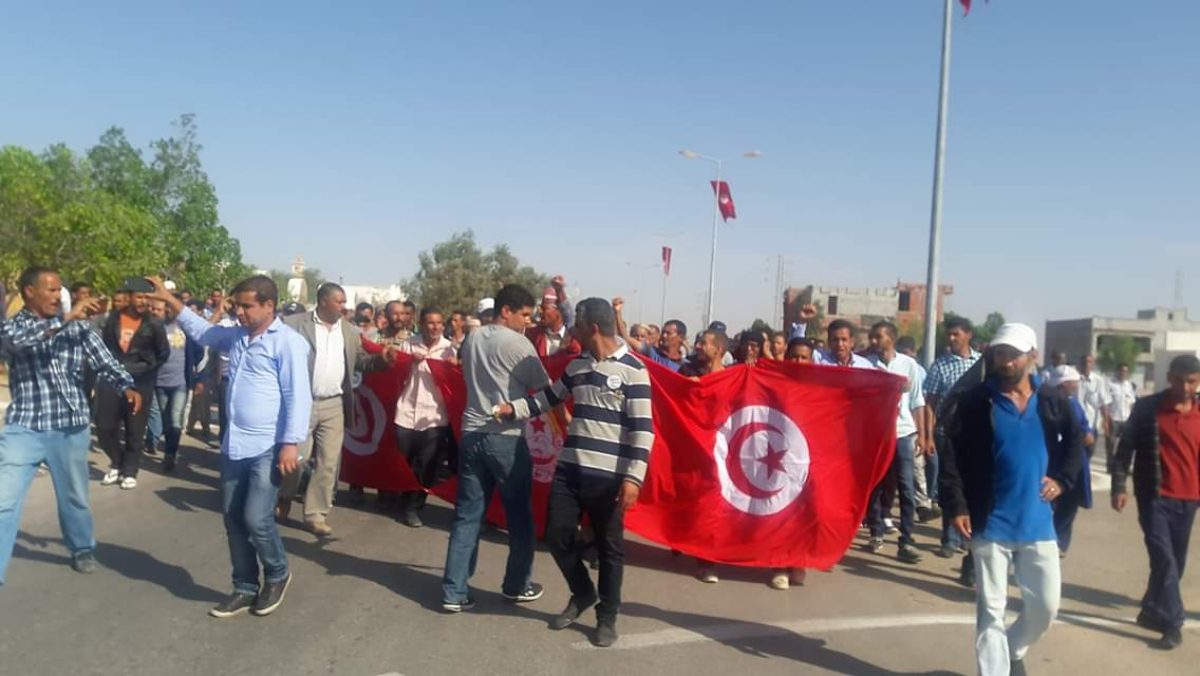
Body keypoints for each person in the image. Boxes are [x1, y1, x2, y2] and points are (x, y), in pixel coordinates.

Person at [149, 274, 312, 619]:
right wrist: (169, 298)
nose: (239, 311)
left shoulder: (288, 343)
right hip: (234, 444)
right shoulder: (237, 336)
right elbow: (201, 330)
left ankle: (278, 573)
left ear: (269, 305)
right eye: (237, 305)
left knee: (256, 518)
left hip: (268, 445)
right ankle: (244, 586)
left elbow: (297, 396)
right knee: (233, 519)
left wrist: (290, 444)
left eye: (247, 305)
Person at [496, 298, 653, 648]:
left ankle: (607, 617)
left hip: (610, 477)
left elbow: (644, 429)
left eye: (577, 323)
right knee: (555, 535)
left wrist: (633, 477)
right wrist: (513, 409)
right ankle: (583, 593)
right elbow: (548, 398)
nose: (573, 328)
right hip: (570, 468)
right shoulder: (577, 365)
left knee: (610, 550)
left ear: (592, 327)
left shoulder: (633, 369)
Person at [941, 323, 1082, 676]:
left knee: (1046, 607)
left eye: (1014, 355)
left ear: (1032, 356)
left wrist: (1063, 481)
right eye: (1000, 354)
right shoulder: (975, 401)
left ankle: (1012, 647)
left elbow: (1076, 443)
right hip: (991, 522)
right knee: (990, 611)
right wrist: (956, 505)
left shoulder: (1052, 401)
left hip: (1038, 522)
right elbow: (953, 455)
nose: (1006, 362)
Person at [0, 266, 143, 585]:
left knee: (74, 496)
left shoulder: (77, 329)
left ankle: (81, 547)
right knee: (3, 501)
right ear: (29, 292)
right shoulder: (13, 329)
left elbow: (104, 360)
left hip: (69, 427)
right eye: (50, 290)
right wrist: (65, 318)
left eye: (58, 289)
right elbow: (13, 347)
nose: (57, 295)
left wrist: (126, 386)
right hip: (25, 428)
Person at [441, 284, 549, 612]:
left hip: (472, 432)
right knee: (519, 516)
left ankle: (454, 591)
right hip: (506, 437)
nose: (528, 322)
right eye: (525, 314)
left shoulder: (473, 338)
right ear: (507, 311)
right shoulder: (520, 345)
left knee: (467, 515)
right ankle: (517, 584)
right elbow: (545, 393)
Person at [277, 283, 385, 535]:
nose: (344, 306)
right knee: (297, 458)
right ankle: (284, 495)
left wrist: (381, 361)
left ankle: (316, 514)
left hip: (334, 403)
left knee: (328, 461)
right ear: (323, 301)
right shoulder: (294, 324)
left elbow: (360, 361)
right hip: (300, 403)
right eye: (339, 301)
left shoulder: (348, 330)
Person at [1111, 354, 1200, 650]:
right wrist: (1119, 486)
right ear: (1169, 378)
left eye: (1191, 382)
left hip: (1189, 500)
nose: (1184, 387)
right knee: (1164, 559)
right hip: (1154, 497)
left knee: (1175, 562)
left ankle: (1152, 609)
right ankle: (1173, 622)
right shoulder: (1148, 408)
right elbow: (1124, 451)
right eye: (1178, 380)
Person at [96, 278, 169, 490]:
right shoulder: (112, 319)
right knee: (104, 426)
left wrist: (146, 368)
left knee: (134, 429)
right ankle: (117, 463)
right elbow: (105, 348)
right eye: (139, 296)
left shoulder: (154, 324)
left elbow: (163, 353)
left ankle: (129, 471)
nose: (144, 301)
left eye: (147, 297)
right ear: (129, 298)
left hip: (141, 382)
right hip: (113, 380)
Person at [924, 315, 982, 579]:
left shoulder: (980, 365)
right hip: (946, 434)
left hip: (974, 436)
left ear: (968, 334)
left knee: (973, 490)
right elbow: (930, 402)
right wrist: (928, 434)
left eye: (957, 333)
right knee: (949, 486)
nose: (952, 338)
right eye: (949, 334)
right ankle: (949, 539)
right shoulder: (940, 366)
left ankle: (969, 544)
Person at [389, 306, 457, 528]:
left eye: (439, 323)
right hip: (406, 412)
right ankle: (400, 497)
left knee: (428, 465)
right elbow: (394, 371)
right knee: (404, 461)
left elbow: (457, 378)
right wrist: (408, 362)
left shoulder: (449, 350)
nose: (435, 327)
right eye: (430, 322)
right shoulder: (410, 344)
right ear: (421, 324)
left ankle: (414, 507)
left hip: (435, 416)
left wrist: (452, 368)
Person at [865, 321, 926, 564]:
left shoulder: (908, 365)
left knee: (906, 487)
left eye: (878, 337)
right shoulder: (868, 365)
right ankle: (876, 530)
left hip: (903, 433)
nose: (874, 341)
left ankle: (907, 539)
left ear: (891, 338)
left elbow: (917, 401)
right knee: (877, 484)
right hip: (877, 433)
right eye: (872, 337)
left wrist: (922, 433)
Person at [1046, 365, 1095, 557]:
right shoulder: (1048, 403)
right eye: (1073, 383)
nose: (1076, 386)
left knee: (1069, 505)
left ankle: (1060, 542)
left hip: (1074, 462)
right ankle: (1051, 540)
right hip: (1054, 461)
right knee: (1052, 502)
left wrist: (1089, 434)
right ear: (1065, 384)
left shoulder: (1074, 403)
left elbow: (1085, 427)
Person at [148, 298, 201, 472]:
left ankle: (170, 454)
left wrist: (194, 370)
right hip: (159, 382)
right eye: (165, 309)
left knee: (175, 420)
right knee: (164, 419)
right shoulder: (155, 328)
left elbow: (199, 351)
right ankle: (166, 445)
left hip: (181, 383)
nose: (168, 311)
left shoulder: (185, 329)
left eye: (170, 308)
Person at [615, 298, 686, 373]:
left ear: (680, 338)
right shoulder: (652, 352)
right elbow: (626, 337)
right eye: (663, 332)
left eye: (668, 333)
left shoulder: (686, 366)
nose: (664, 336)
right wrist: (618, 313)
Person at [527, 287, 582, 358]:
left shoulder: (574, 340)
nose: (540, 312)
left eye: (544, 308)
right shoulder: (532, 335)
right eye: (540, 308)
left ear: (558, 312)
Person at [1106, 363, 1138, 471]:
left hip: (1126, 418)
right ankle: (1110, 466)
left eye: (1125, 371)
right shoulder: (1110, 384)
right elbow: (1106, 402)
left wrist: (1133, 418)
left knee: (1126, 444)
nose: (1123, 373)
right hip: (1113, 417)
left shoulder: (1129, 385)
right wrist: (1107, 418)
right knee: (1111, 443)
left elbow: (1132, 403)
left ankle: (1124, 466)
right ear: (1117, 371)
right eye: (1121, 371)